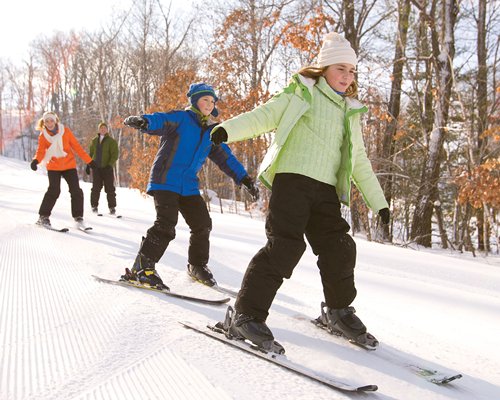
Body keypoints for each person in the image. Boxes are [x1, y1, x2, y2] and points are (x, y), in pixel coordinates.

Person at [210, 32, 391, 351]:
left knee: (340, 246)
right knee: (285, 246)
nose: (347, 77)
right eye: (341, 69)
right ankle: (246, 316)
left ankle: (338, 311)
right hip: (292, 181)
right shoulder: (301, 93)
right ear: (323, 69)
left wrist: (380, 203)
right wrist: (227, 131)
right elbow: (263, 116)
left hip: (325, 192)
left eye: (352, 71)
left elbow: (359, 159)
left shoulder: (350, 110)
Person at [121, 83, 259, 290]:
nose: (209, 104)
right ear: (195, 101)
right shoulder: (181, 119)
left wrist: (245, 179)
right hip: (166, 180)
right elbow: (161, 119)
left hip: (188, 186)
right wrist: (144, 121)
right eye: (205, 99)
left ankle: (197, 265)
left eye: (212, 101)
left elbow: (226, 159)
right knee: (166, 224)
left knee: (202, 224)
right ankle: (142, 269)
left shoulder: (213, 132)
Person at [31, 111, 96, 227]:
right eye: (46, 121)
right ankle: (43, 217)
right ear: (44, 123)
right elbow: (40, 151)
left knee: (76, 190)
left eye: (51, 120)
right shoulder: (43, 135)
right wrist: (36, 160)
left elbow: (77, 147)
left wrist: (89, 161)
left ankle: (78, 217)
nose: (49, 123)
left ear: (55, 121)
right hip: (53, 166)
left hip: (69, 165)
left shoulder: (65, 131)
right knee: (54, 190)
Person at [87, 122, 119, 215]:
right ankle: (94, 206)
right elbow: (91, 154)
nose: (103, 130)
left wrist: (110, 165)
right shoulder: (94, 141)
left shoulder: (111, 141)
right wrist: (88, 165)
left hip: (107, 169)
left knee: (110, 189)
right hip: (96, 169)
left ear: (107, 130)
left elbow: (115, 155)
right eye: (101, 128)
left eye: (104, 128)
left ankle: (112, 207)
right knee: (95, 188)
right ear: (98, 129)